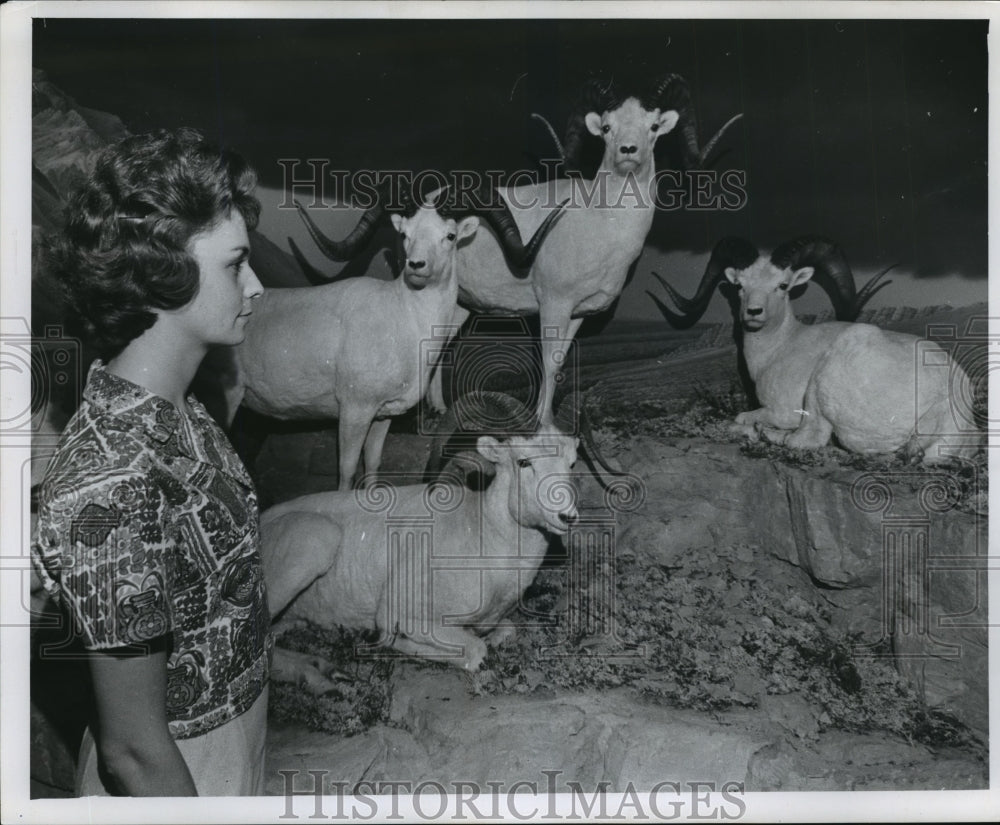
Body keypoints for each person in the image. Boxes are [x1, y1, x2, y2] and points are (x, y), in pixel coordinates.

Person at [32, 128, 271, 796]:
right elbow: (133, 750)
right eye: (234, 265)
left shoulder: (180, 408)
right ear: (166, 276)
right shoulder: (109, 482)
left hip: (233, 740)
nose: (255, 286)